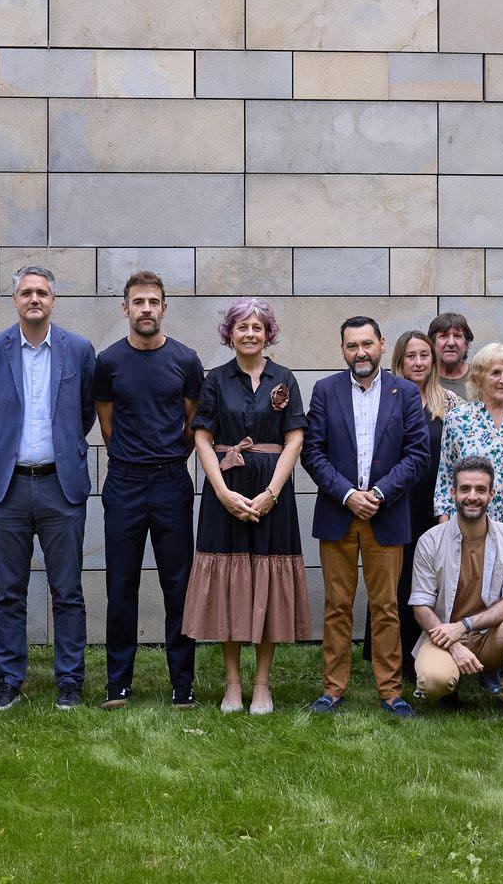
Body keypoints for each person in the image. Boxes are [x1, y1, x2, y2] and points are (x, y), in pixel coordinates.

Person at [0, 266, 96, 711]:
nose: (34, 299)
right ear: (15, 300)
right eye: (26, 292)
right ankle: (8, 677)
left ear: (53, 300)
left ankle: (69, 680)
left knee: (68, 591)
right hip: (7, 488)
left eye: (42, 292)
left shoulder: (79, 350)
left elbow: (84, 414)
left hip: (59, 487)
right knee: (9, 591)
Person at [183, 298, 309, 715]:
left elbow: (294, 439)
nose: (250, 333)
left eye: (257, 326)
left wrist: (272, 492)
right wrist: (220, 491)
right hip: (226, 488)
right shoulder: (215, 379)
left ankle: (262, 684)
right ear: (230, 333)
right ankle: (233, 683)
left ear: (268, 332)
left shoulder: (285, 378)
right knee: (229, 584)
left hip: (272, 493)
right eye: (242, 327)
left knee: (268, 582)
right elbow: (202, 437)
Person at [301, 316, 431, 717]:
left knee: (386, 606)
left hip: (385, 513)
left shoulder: (405, 392)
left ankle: (390, 691)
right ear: (343, 350)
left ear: (380, 345)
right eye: (352, 345)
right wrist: (346, 494)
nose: (360, 352)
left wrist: (377, 493)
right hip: (339, 514)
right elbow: (312, 452)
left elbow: (418, 454)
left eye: (367, 344)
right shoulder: (325, 391)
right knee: (337, 605)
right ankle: (333, 689)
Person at [94, 271, 204, 710]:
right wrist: (132, 458)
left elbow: (191, 421)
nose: (145, 309)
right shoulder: (108, 362)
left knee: (179, 584)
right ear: (125, 308)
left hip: (171, 481)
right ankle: (118, 684)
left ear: (164, 308)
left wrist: (165, 456)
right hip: (124, 482)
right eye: (137, 302)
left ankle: (183, 685)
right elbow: (107, 424)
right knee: (120, 585)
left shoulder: (186, 360)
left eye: (153, 302)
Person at [409, 456, 503, 724]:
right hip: (442, 637)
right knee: (433, 682)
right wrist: (455, 643)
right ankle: (449, 686)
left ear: (492, 494)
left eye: (480, 490)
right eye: (465, 489)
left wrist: (464, 625)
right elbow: (421, 606)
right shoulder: (430, 541)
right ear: (453, 492)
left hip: (490, 636)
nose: (472, 496)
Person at [361, 329, 450, 681]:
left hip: (434, 503)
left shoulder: (449, 404)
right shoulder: (386, 398)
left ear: (433, 361)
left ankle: (426, 652)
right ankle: (387, 655)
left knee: (427, 579)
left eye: (424, 355)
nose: (418, 362)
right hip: (395, 500)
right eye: (411, 356)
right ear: (399, 360)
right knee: (392, 581)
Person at [434, 342, 503, 536]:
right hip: (470, 521)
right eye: (495, 373)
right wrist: (443, 515)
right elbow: (445, 473)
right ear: (478, 379)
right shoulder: (458, 418)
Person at [429, 310, 473, 401]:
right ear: (432, 344)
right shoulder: (423, 378)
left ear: (467, 344)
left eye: (457, 336)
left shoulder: (480, 377)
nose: (451, 343)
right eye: (444, 336)